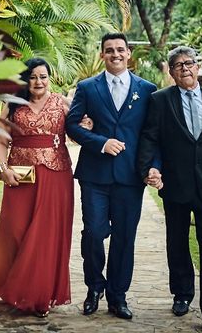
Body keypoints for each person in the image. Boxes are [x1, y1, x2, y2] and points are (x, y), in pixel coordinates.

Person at [137, 46, 202, 325]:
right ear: (171, 72)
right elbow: (149, 138)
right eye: (178, 65)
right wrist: (147, 169)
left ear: (197, 67)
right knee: (177, 242)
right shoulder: (160, 100)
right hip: (176, 185)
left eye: (189, 63)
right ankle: (181, 294)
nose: (185, 68)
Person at [65, 32, 159, 320]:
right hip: (95, 175)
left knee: (124, 237)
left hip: (131, 177)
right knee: (93, 232)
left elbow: (153, 134)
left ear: (129, 53)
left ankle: (118, 296)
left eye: (120, 49)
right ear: (102, 54)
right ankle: (94, 288)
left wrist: (153, 166)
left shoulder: (147, 89)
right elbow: (72, 126)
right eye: (109, 50)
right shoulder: (87, 88)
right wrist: (100, 142)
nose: (115, 54)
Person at [0, 58, 75, 317]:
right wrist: (4, 171)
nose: (38, 82)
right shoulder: (12, 104)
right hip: (21, 177)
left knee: (45, 236)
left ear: (50, 78)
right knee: (17, 231)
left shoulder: (63, 104)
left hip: (56, 176)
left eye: (43, 76)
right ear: (25, 80)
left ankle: (39, 296)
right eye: (33, 77)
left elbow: (81, 130)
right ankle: (12, 287)